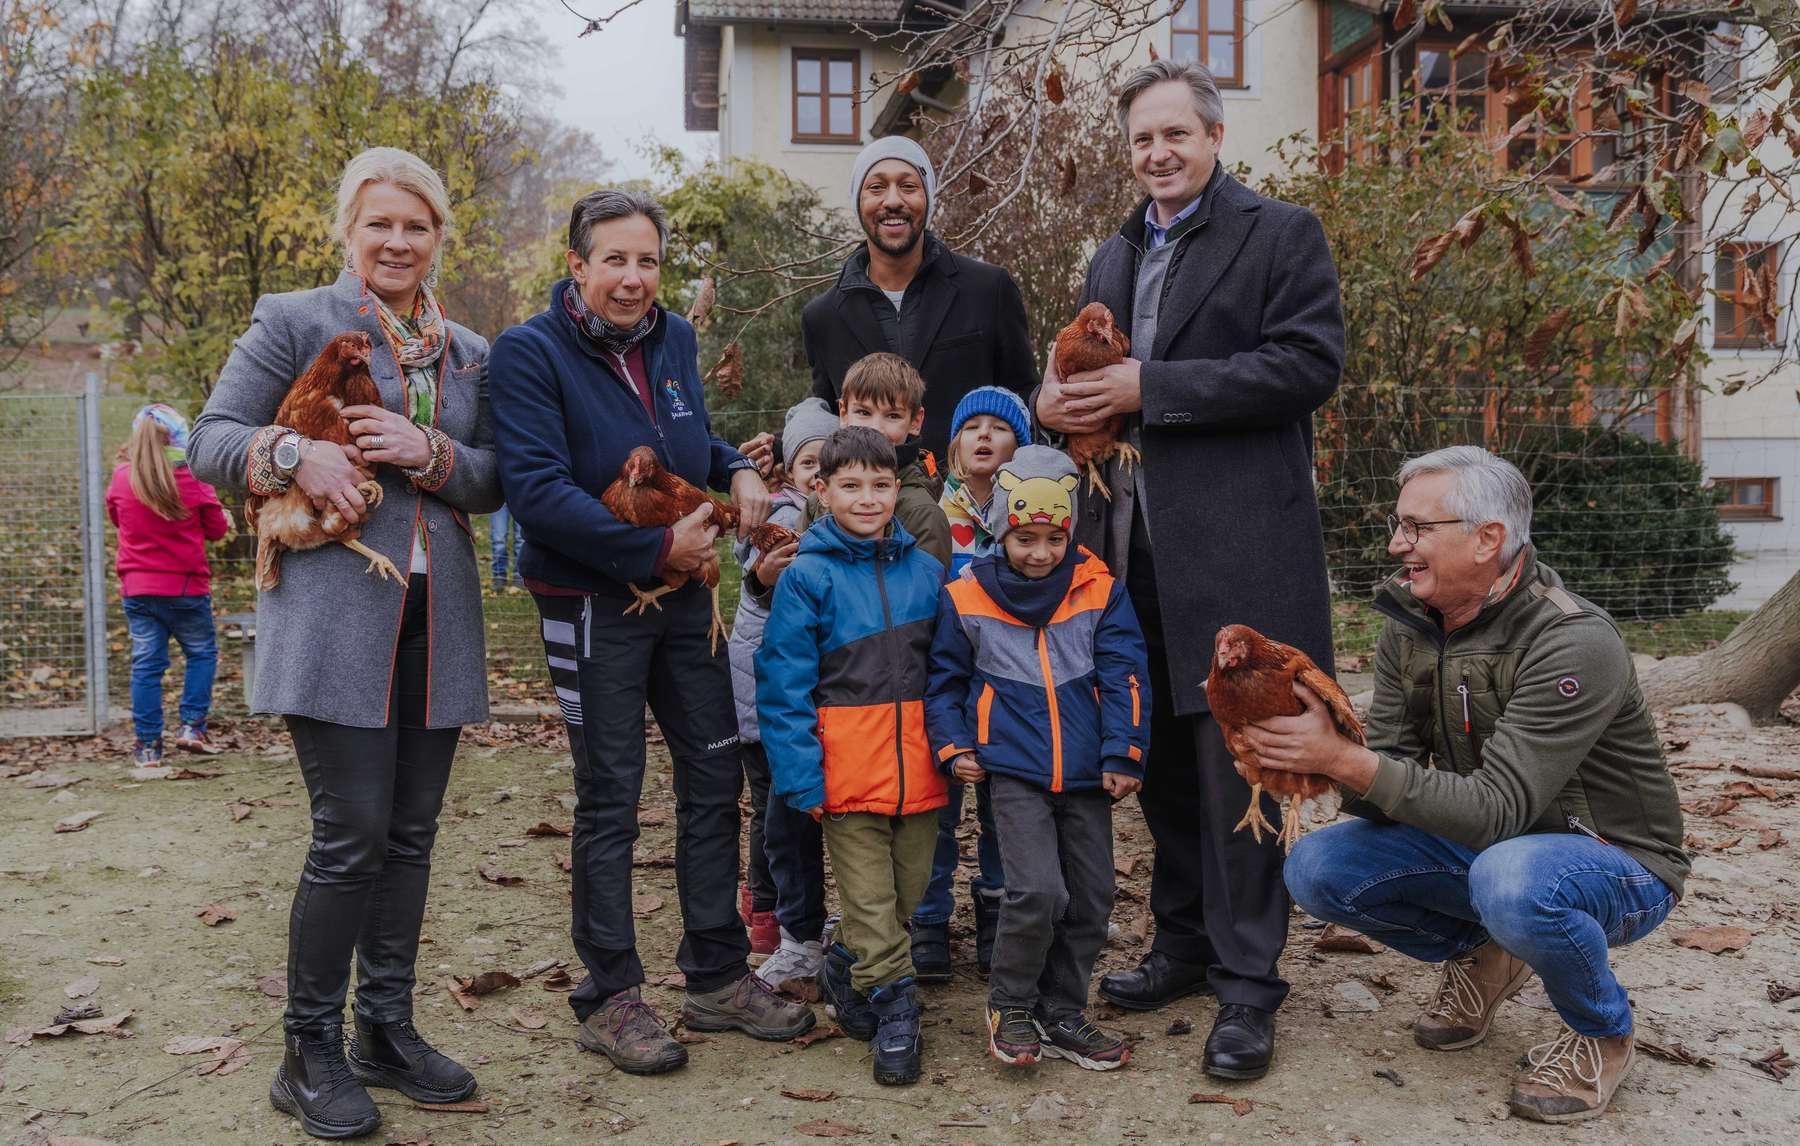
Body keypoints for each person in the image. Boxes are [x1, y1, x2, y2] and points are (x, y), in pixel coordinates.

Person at [1032, 59, 1345, 1079]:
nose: (1158, 154)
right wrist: (1059, 402)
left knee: (1238, 774)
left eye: (1176, 135)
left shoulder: (1279, 235)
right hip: (1129, 551)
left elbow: (1307, 366)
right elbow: (1087, 382)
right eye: (1141, 141)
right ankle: (1182, 943)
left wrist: (1148, 383)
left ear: (1214, 138)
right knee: (1163, 765)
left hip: (1240, 551)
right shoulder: (1113, 255)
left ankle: (1251, 984)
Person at [189, 147, 501, 1140]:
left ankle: (386, 1031)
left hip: (436, 618)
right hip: (331, 617)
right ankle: (306, 1052)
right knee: (352, 833)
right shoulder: (295, 321)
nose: (398, 242)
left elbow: (495, 476)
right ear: (348, 232)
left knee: (410, 837)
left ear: (439, 237)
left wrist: (435, 452)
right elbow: (208, 438)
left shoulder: (471, 353)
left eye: (417, 226)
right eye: (380, 224)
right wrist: (293, 452)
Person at [1259, 446, 1688, 1123]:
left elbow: (1495, 810)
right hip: (1489, 847)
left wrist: (1342, 760)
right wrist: (1300, 753)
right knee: (1318, 868)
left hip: (1617, 862)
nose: (1398, 544)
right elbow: (1387, 774)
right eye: (1399, 525)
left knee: (1512, 880)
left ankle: (1601, 1031)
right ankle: (1487, 954)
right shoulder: (1411, 624)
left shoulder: (1573, 639)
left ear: (1489, 538)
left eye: (1418, 528)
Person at [488, 188, 814, 1077]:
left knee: (714, 778)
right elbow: (536, 491)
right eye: (616, 261)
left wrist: (736, 474)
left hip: (685, 597)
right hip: (590, 601)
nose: (634, 279)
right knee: (612, 795)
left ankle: (714, 974)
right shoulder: (527, 354)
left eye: (648, 261)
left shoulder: (673, 338)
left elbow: (686, 441)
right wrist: (650, 544)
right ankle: (610, 995)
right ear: (577, 266)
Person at [927, 446, 1149, 1071]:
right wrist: (954, 745)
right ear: (1003, 530)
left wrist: (1125, 751)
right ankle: (1012, 1002)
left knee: (1092, 895)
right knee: (1034, 891)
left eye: (1053, 537)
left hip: (1086, 772)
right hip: (1014, 770)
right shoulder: (966, 596)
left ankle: (1062, 1007)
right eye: (1024, 537)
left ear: (1068, 530)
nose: (1040, 552)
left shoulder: (1099, 589)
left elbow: (1126, 674)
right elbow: (944, 683)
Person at [757, 426, 949, 1087]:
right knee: (869, 900)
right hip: (846, 775)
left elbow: (949, 670)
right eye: (851, 486)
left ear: (897, 489)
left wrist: (956, 748)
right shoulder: (807, 576)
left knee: (909, 895)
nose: (866, 498)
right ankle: (897, 1005)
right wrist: (802, 776)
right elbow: (783, 684)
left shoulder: (928, 572)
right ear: (822, 490)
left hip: (922, 771)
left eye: (879, 485)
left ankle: (845, 965)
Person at [802, 136, 1037, 458]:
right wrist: (779, 445)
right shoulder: (822, 317)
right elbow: (829, 417)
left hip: (974, 500)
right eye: (876, 188)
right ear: (858, 202)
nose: (893, 200)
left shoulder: (989, 290)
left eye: (909, 186)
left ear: (928, 198)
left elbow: (1023, 396)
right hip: (873, 502)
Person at [918, 384, 1034, 978]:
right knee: (938, 809)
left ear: (1023, 444)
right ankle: (929, 920)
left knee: (1005, 809)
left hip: (1012, 690)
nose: (984, 435)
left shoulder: (1036, 524)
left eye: (1000, 426)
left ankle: (998, 916)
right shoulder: (934, 517)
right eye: (972, 426)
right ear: (955, 445)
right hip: (947, 685)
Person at [728, 396, 837, 974]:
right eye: (807, 461)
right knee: (772, 805)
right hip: (762, 693)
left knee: (798, 807)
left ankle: (798, 915)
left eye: (828, 461)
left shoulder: (847, 515)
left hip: (814, 689)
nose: (817, 473)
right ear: (791, 469)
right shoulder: (774, 512)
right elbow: (747, 558)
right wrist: (760, 572)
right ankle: (769, 912)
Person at [107, 403, 231, 765]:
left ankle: (147, 748)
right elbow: (217, 531)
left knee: (146, 665)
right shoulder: (193, 479)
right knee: (201, 654)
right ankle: (192, 727)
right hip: (186, 589)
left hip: (138, 588)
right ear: (181, 437)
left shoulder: (121, 478)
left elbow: (117, 518)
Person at [793, 352, 951, 572]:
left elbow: (923, 596)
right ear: (843, 413)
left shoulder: (921, 513)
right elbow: (792, 585)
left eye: (893, 415)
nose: (876, 427)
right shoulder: (817, 502)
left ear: (916, 421)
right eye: (864, 412)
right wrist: (763, 580)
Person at [488, 503, 523, 587]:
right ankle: (499, 575)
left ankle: (519, 575)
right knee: (499, 539)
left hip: (520, 496)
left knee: (521, 538)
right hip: (500, 498)